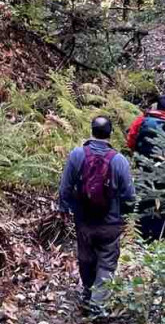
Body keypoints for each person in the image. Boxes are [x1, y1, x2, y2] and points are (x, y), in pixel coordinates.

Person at [58, 117, 136, 311]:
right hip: (110, 221)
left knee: (86, 256)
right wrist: (125, 215)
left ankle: (87, 291)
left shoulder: (77, 154)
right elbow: (129, 195)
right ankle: (97, 304)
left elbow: (65, 186)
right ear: (110, 133)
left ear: (91, 130)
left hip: (83, 219)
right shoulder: (119, 160)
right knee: (107, 262)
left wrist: (64, 208)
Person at [126, 96, 165, 241]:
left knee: (144, 200)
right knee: (163, 202)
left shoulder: (141, 121)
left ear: (156, 107)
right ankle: (159, 237)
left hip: (143, 167)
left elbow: (131, 141)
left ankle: (142, 235)